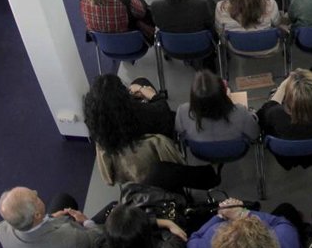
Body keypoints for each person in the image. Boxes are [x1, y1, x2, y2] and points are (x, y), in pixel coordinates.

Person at [84, 73, 217, 191]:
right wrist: (153, 96)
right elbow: (163, 114)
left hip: (124, 162)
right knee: (171, 114)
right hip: (152, 150)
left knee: (140, 80)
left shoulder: (97, 127)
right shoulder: (143, 115)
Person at [257, 69, 312, 169]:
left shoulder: (275, 114)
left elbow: (261, 117)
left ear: (288, 99)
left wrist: (282, 87)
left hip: (284, 156)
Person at [175, 70, 259, 145]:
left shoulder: (182, 112)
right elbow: (254, 135)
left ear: (193, 98)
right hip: (232, 151)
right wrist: (252, 114)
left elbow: (181, 135)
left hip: (201, 153)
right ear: (223, 95)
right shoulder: (241, 112)